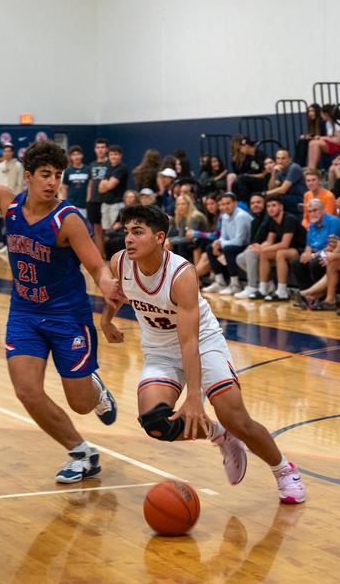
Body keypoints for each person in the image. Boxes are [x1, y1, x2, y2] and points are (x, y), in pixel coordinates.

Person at [0, 121, 122, 483]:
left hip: (67, 316)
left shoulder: (67, 219)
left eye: (57, 175)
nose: (52, 182)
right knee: (26, 390)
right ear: (28, 176)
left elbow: (96, 265)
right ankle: (82, 453)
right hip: (25, 313)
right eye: (45, 174)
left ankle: (95, 388)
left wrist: (107, 285)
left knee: (80, 403)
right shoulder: (7, 202)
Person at [100, 205, 307, 504]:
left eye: (138, 232)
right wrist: (107, 320)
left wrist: (194, 397)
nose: (129, 239)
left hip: (203, 345)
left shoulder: (181, 274)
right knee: (156, 423)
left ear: (159, 237)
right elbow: (118, 292)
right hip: (160, 351)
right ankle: (219, 434)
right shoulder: (120, 261)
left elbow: (189, 341)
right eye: (127, 232)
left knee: (237, 419)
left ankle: (284, 470)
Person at [256, 194, 306, 303]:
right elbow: (269, 241)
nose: (271, 208)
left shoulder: (289, 219)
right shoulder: (273, 220)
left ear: (281, 207)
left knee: (280, 253)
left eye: (274, 205)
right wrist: (259, 247)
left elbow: (285, 244)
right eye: (268, 206)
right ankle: (263, 288)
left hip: (302, 249)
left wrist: (264, 249)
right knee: (264, 254)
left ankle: (282, 291)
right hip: (289, 249)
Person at [202, 192, 253, 296]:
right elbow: (223, 236)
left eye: (228, 203)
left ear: (235, 203)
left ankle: (235, 285)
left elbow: (239, 240)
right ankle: (220, 282)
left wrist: (221, 243)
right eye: (222, 204)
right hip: (232, 244)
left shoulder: (241, 216)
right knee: (210, 248)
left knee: (228, 249)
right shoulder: (224, 216)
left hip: (246, 245)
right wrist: (217, 243)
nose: (225, 207)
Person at [289, 198, 340, 296]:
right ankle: (306, 296)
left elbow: (331, 246)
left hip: (330, 253)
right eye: (309, 212)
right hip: (316, 252)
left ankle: (320, 295)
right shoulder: (312, 224)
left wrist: (313, 255)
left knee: (315, 262)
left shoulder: (333, 221)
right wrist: (307, 253)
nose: (312, 214)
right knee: (297, 262)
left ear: (323, 210)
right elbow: (309, 245)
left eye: (315, 210)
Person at [0, 143, 26, 252]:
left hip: (13, 199)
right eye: (5, 151)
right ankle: (6, 245)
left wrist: (16, 199)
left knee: (14, 223)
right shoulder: (0, 166)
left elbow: (20, 184)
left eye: (9, 151)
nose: (7, 153)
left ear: (12, 153)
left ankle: (15, 246)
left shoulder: (18, 165)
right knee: (4, 222)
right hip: (0, 199)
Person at [97, 145, 129, 239]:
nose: (113, 157)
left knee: (116, 232)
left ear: (120, 155)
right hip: (105, 203)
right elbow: (100, 189)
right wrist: (106, 184)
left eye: (116, 154)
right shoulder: (108, 167)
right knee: (106, 232)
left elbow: (110, 185)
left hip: (117, 204)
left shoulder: (121, 168)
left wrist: (105, 183)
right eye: (111, 154)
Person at [166, 194, 208, 264]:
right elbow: (181, 236)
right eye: (178, 204)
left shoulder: (194, 216)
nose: (180, 207)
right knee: (172, 244)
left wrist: (170, 241)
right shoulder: (183, 217)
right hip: (194, 242)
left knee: (180, 245)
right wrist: (168, 240)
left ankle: (181, 267)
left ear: (189, 205)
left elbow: (190, 238)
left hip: (202, 243)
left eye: (183, 204)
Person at [86, 138, 110, 255]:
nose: (100, 150)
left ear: (106, 149)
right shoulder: (92, 165)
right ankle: (100, 257)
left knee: (107, 230)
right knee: (96, 231)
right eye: (98, 147)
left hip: (107, 202)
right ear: (95, 150)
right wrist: (88, 199)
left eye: (102, 147)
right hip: (93, 201)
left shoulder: (110, 164)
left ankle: (109, 256)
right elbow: (90, 183)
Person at [265, 149, 307, 214]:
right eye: (278, 158)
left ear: (290, 159)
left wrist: (264, 193)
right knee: (272, 199)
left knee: (276, 198)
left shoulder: (294, 168)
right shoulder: (279, 169)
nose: (280, 161)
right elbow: (271, 188)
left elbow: (283, 190)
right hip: (289, 197)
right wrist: (273, 173)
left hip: (301, 198)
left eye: (283, 158)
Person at [58, 145, 90, 216]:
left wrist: (88, 202)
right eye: (74, 154)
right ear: (70, 157)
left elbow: (89, 187)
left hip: (84, 205)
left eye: (78, 154)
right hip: (71, 204)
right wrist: (64, 203)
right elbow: (64, 188)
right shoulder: (67, 171)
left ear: (82, 155)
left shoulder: (88, 169)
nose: (76, 157)